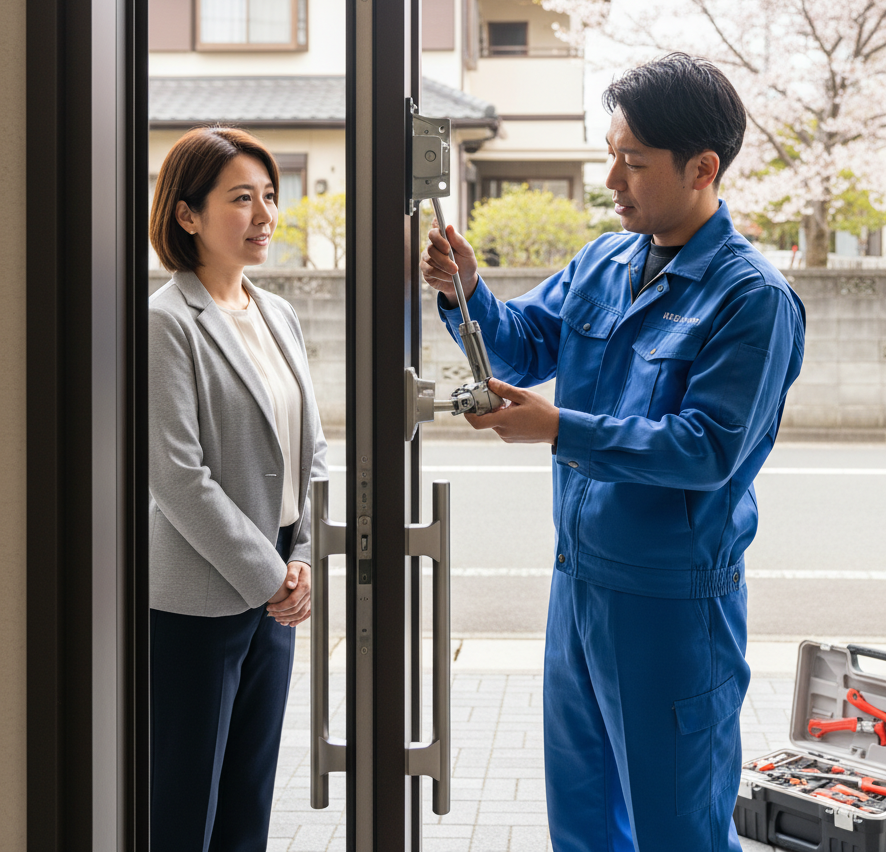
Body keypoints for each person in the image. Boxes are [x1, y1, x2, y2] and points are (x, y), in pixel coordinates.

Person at [420, 53, 805, 852]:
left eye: (633, 162)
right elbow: (525, 346)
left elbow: (708, 449)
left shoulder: (751, 299)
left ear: (703, 168)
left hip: (672, 605)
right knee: (585, 820)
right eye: (611, 155)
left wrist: (561, 428)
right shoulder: (605, 259)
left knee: (677, 830)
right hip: (578, 589)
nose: (612, 178)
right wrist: (467, 292)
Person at [148, 126, 328, 852]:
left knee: (249, 797)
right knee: (185, 801)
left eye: (271, 197)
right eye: (241, 199)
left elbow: (309, 450)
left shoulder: (276, 311)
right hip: (197, 600)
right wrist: (268, 576)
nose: (264, 215)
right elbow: (177, 477)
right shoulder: (164, 322)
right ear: (188, 215)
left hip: (274, 585)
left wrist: (302, 557)